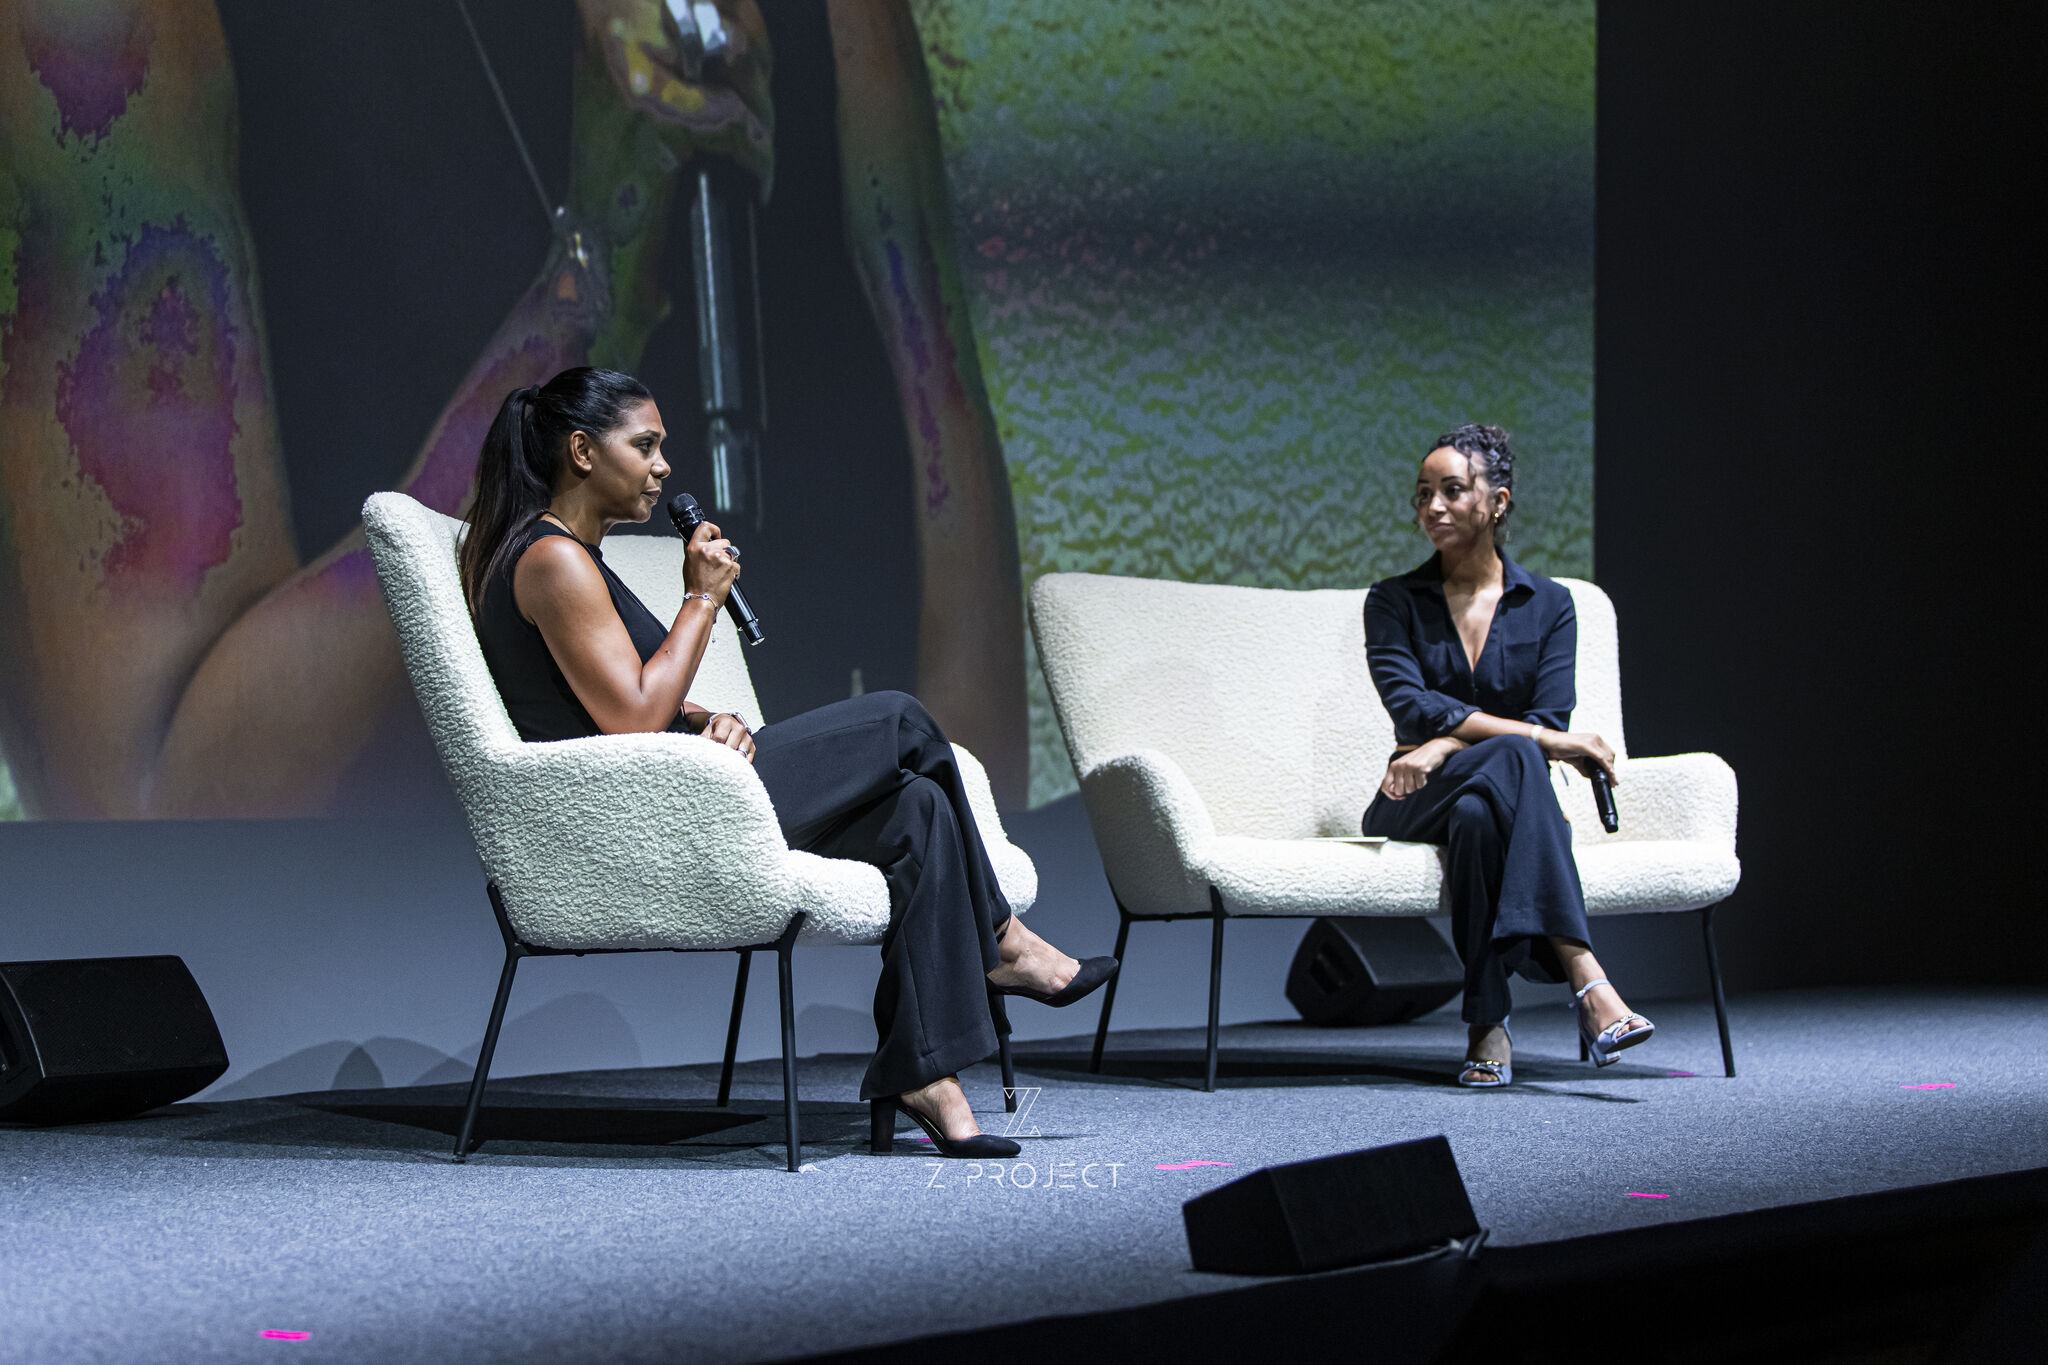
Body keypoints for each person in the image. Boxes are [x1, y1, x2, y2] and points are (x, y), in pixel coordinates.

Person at [461, 366, 1114, 1153]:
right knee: (901, 717)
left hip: (681, 788)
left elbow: (614, 694)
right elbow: (629, 714)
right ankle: (1003, 939)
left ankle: (924, 1071)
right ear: (582, 451)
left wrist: (708, 714)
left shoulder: (574, 559)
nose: (665, 466)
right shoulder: (551, 559)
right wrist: (700, 598)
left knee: (921, 808)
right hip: (651, 819)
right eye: (646, 445)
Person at [1360, 424, 1652, 1087]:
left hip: (1469, 793)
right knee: (1522, 757)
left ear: (1497, 501)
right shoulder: (1392, 601)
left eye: (1452, 490)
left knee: (1480, 817)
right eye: (1422, 494)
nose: (1431, 507)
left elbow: (1539, 715)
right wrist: (1544, 742)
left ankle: (1487, 1024)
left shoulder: (1551, 605)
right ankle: (1585, 974)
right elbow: (1413, 707)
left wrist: (1441, 744)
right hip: (1409, 799)